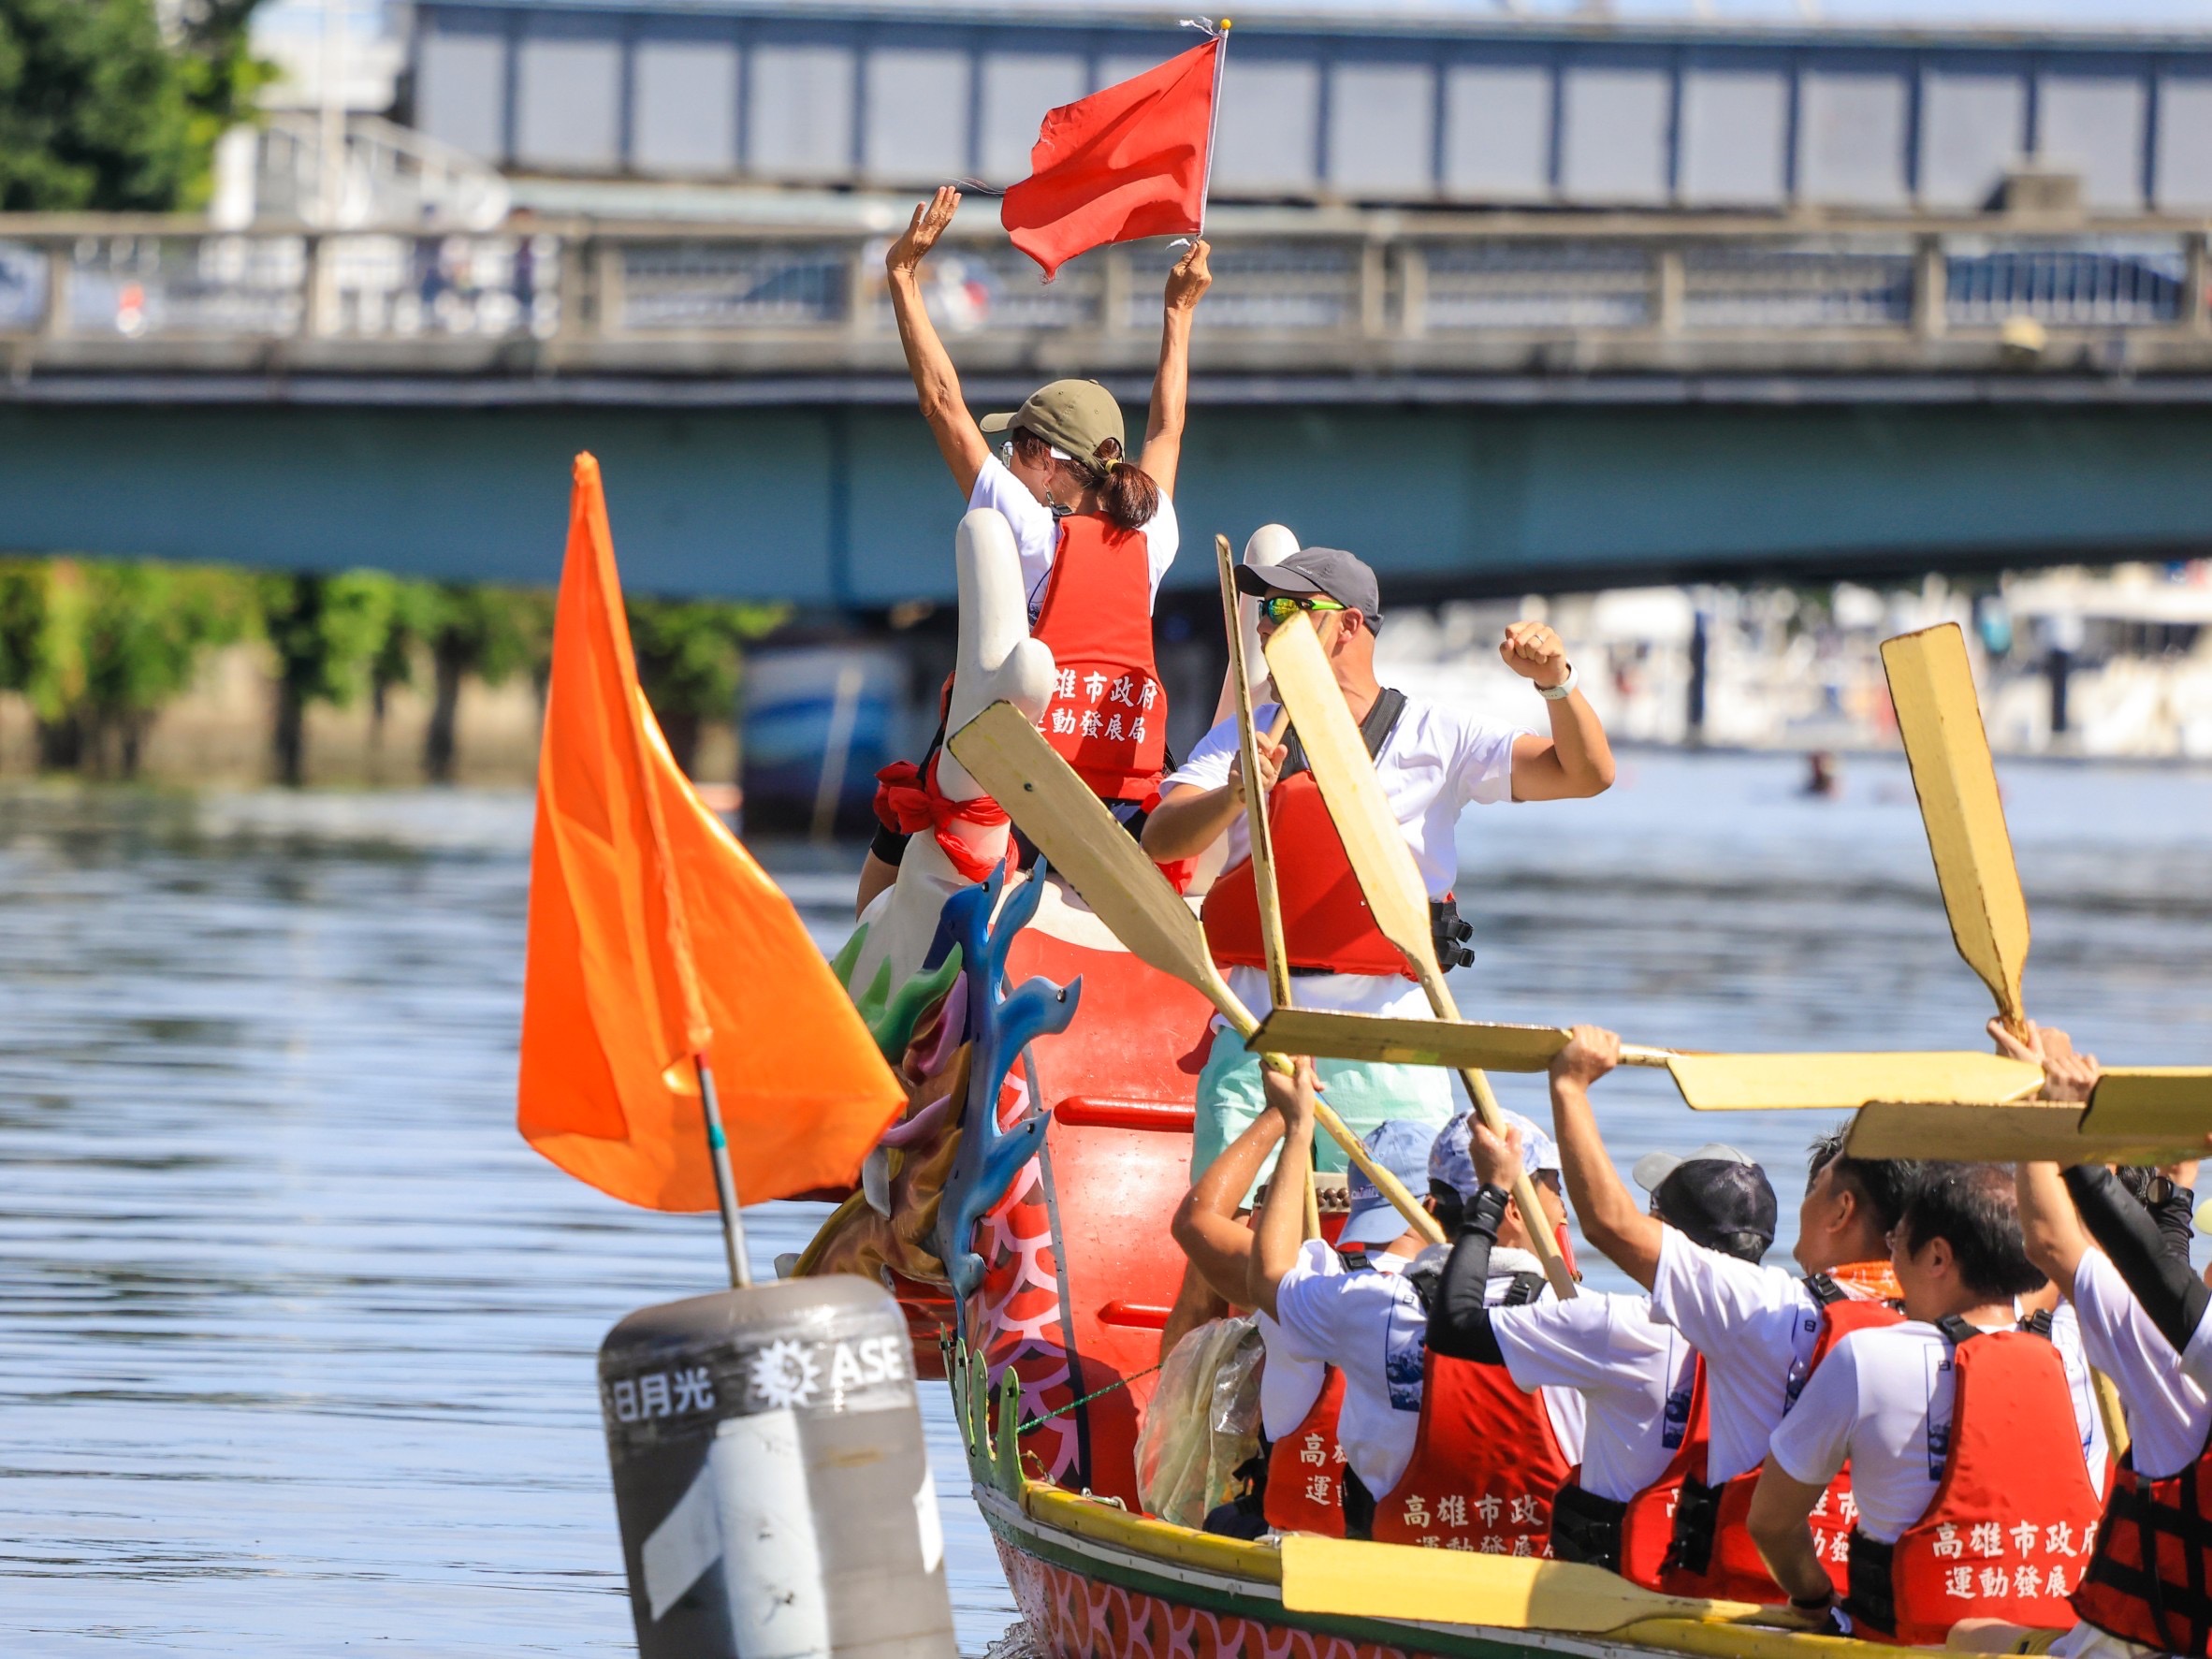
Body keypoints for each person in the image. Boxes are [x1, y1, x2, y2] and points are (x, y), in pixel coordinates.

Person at [1142, 545, 1615, 1192]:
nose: (1263, 624)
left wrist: (1555, 681)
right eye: (1262, 608)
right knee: (1217, 1250)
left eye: (1286, 607)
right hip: (1258, 1037)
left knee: (1387, 1257)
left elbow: (1586, 773)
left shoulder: (1438, 735)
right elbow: (1161, 840)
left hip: (1391, 1049)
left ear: (1349, 625)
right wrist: (1233, 794)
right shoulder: (1247, 734)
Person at [857, 184, 1213, 915]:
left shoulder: (1026, 528)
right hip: (1120, 786)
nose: (1003, 459)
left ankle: (868, 996)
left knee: (886, 862)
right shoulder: (1152, 533)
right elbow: (1169, 428)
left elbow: (943, 405)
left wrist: (903, 279)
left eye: (1014, 447)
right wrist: (1179, 314)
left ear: (1043, 456)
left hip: (1019, 776)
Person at [1545, 1029, 1929, 1598]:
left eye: (1817, 1185)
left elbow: (1610, 1224)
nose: (1804, 1201)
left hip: (1758, 1611)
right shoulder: (1950, 1328)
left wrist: (1570, 1085)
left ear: (1842, 1209)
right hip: (1871, 1618)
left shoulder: (1767, 1308)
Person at [1427, 1028, 1771, 1587]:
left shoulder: (1621, 1326)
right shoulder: (1795, 1326)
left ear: (1664, 1234)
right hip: (1729, 1587)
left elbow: (1455, 1325)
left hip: (1612, 1591)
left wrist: (1492, 1193)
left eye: (1652, 1211)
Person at [1749, 1164, 2105, 1646]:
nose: (1890, 1257)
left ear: (1937, 1256)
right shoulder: (2079, 1356)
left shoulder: (1867, 1357)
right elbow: (2089, 1258)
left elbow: (1771, 1523)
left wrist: (1814, 1598)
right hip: (2056, 1644)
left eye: (1897, 1241)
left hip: (1907, 1645)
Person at [1244, 1059, 1583, 1542]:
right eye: (1556, 1190)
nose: (1563, 1208)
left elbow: (1268, 1280)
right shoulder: (1580, 1316)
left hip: (1395, 1569)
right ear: (1516, 1207)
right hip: (1534, 1584)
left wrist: (1297, 1127)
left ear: (1431, 1207)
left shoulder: (1374, 1303)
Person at [2002, 1021, 2212, 1659]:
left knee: (1966, 1635)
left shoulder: (2181, 1385)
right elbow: (2166, 1294)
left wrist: (2049, 1117)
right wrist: (2170, 1200)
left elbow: (2048, 1240)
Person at [1169, 1105, 1426, 1538]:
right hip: (1429, 1548)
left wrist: (1285, 1119)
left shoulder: (1311, 1277)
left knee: (1227, 1521)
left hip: (1298, 1549)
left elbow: (1197, 1221)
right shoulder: (1491, 1295)